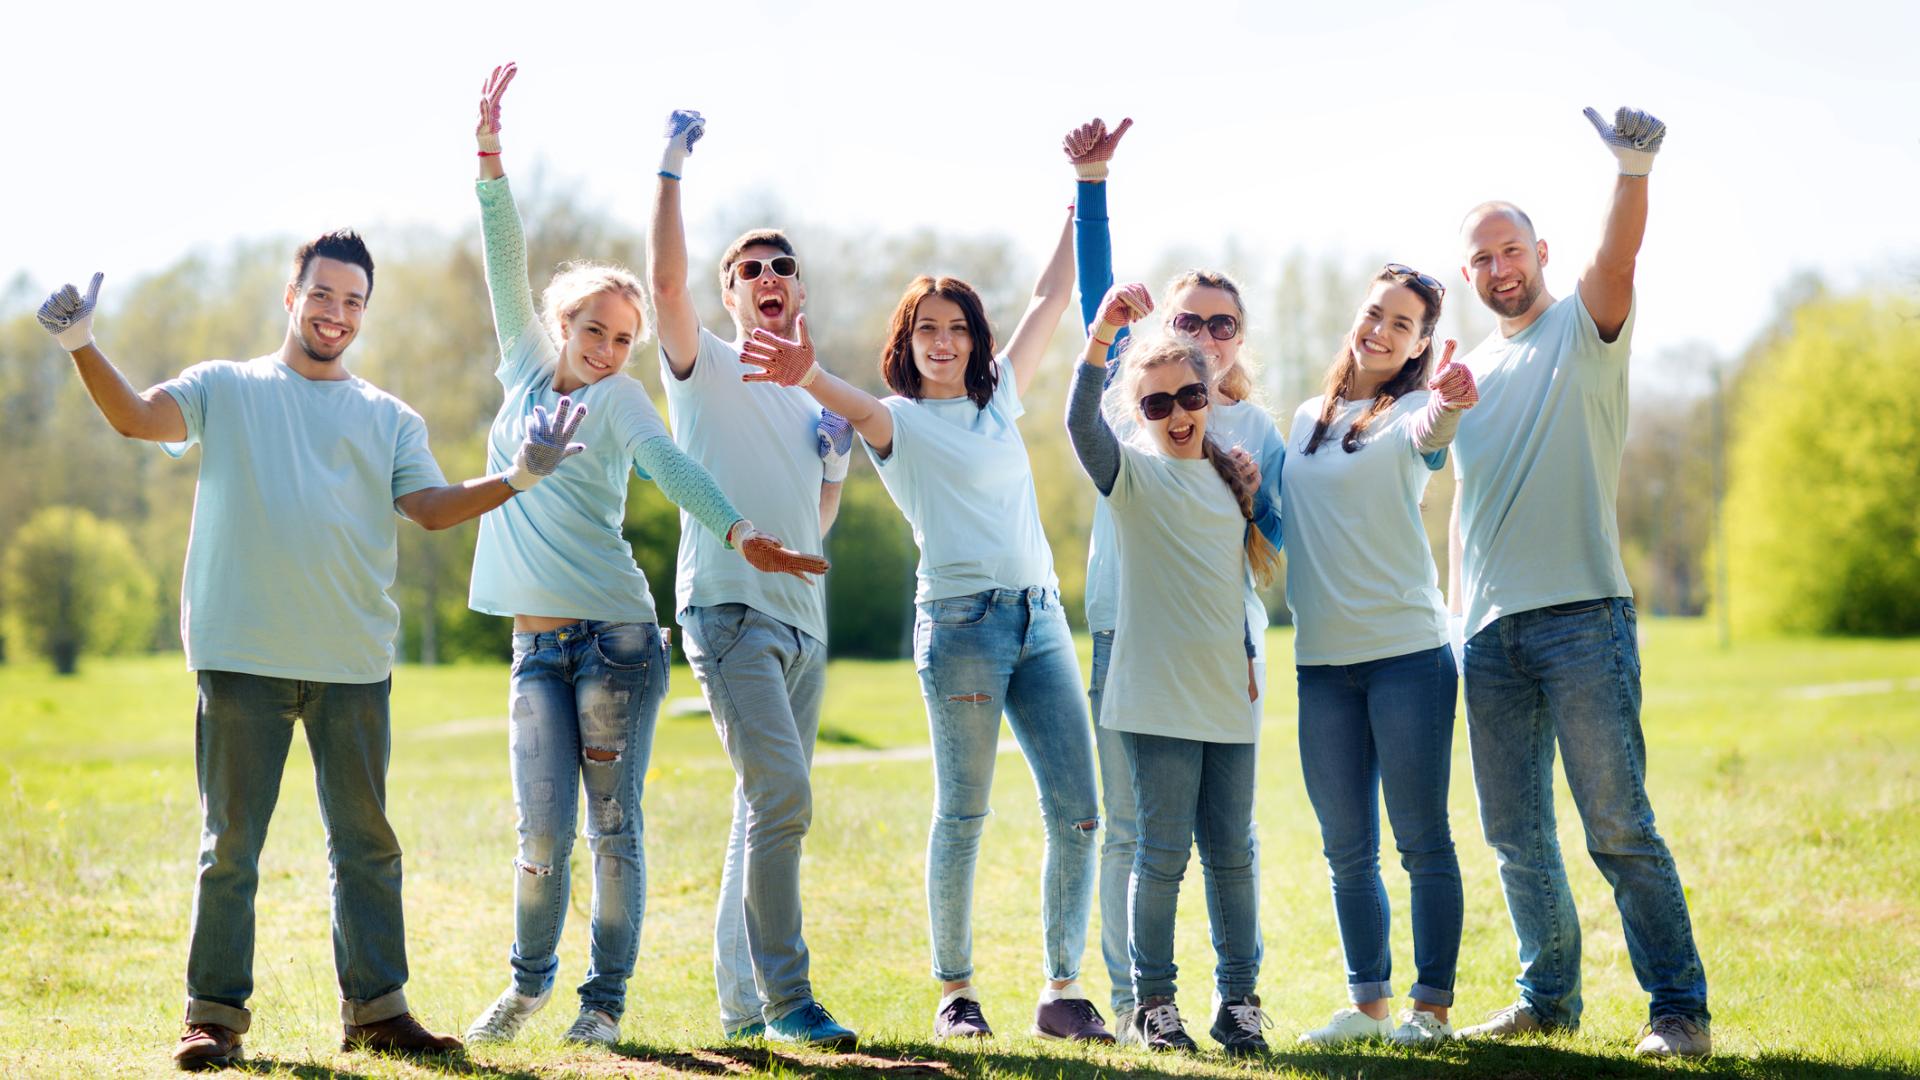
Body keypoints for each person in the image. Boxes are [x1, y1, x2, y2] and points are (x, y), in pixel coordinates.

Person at [36, 231, 582, 1070]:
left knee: (367, 845)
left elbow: (430, 506)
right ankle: (213, 1016)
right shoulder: (225, 387)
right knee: (231, 847)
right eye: (323, 295)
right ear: (291, 297)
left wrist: (518, 477)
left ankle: (377, 1011)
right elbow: (137, 418)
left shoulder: (389, 416)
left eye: (354, 301)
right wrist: (82, 345)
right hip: (240, 655)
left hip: (352, 663)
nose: (337, 314)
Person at [455, 64, 829, 1049]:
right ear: (562, 324)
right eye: (596, 330)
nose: (613, 349)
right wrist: (490, 158)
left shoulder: (623, 400)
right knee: (539, 838)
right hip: (536, 645)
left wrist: (737, 527)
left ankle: (602, 1004)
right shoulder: (527, 366)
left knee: (611, 832)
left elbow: (671, 465)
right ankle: (529, 985)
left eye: (626, 338)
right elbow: (505, 259)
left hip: (619, 640)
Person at [736, 215, 1114, 1042]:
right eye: (927, 329)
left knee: (1082, 812)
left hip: (1042, 617)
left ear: (977, 341)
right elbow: (840, 396)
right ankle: (956, 992)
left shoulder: (1000, 397)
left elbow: (1054, 294)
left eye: (959, 329)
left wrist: (1081, 196)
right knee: (965, 814)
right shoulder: (894, 420)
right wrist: (806, 373)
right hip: (961, 627)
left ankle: (1061, 989)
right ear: (907, 342)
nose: (944, 342)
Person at [1447, 106, 1710, 1058]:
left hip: (1581, 618)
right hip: (1486, 635)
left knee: (1616, 825)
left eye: (1509, 249)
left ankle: (1678, 1008)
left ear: (1539, 251)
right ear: (1469, 276)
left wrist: (1631, 170)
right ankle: (1547, 1000)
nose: (1498, 267)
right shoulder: (1466, 371)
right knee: (1517, 837)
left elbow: (1620, 265)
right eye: (1480, 259)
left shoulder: (1583, 329)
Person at [1064, 117, 1285, 1042]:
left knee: (1231, 852)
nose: (1178, 408)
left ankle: (1241, 1001)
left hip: (1224, 677)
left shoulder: (1245, 454)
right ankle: (1149, 1002)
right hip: (1142, 671)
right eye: (1158, 400)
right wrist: (1095, 191)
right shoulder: (1132, 456)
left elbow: (1269, 561)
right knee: (1152, 850)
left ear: (1225, 361)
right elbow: (1088, 410)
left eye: (1193, 391)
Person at [645, 107, 858, 1049]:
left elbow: (815, 523)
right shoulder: (705, 366)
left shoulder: (816, 391)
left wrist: (838, 464)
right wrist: (671, 166)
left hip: (804, 624)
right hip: (729, 615)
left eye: (781, 267)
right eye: (748, 271)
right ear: (730, 297)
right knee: (783, 799)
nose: (767, 278)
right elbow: (660, 283)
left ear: (799, 291)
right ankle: (788, 1001)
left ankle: (738, 1011)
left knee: (758, 809)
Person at [1284, 265, 1475, 1047]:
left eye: (1402, 324)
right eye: (1375, 314)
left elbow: (1435, 435)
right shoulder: (1303, 419)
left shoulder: (1414, 414)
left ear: (1421, 342)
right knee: (1345, 850)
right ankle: (1368, 1007)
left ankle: (1430, 1010)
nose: (1381, 331)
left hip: (1407, 659)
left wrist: (1450, 402)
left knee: (1421, 840)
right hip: (1322, 666)